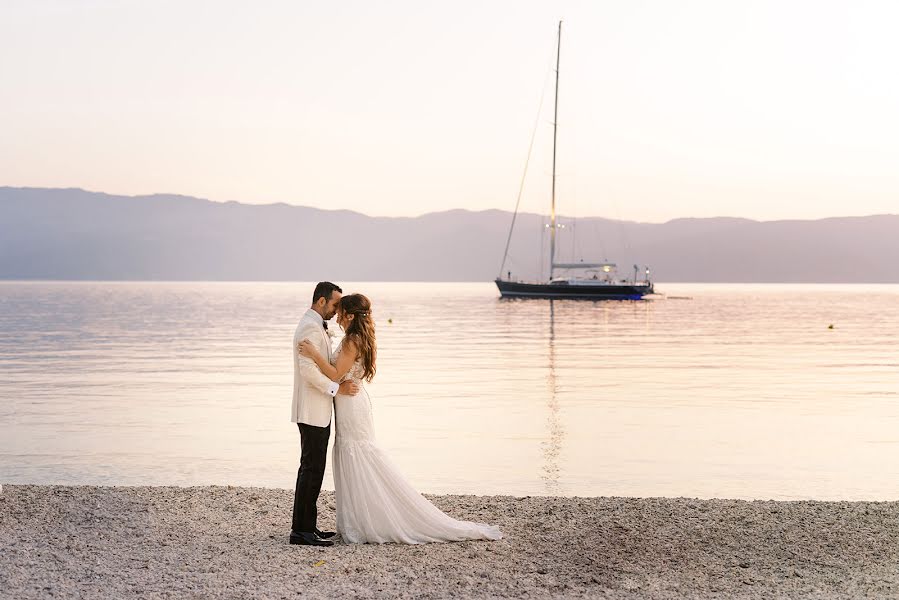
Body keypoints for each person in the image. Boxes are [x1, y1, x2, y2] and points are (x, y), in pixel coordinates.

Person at [299, 293, 502, 544]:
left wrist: (313, 353)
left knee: (357, 455)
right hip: (350, 401)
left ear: (350, 315)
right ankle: (357, 520)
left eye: (341, 311)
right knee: (352, 455)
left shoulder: (352, 341)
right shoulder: (355, 338)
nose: (337, 315)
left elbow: (335, 372)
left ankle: (369, 521)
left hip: (351, 403)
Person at [290, 282, 359, 546]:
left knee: (312, 468)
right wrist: (336, 388)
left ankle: (308, 525)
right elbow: (308, 372)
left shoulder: (315, 325)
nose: (336, 309)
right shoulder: (309, 326)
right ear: (321, 301)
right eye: (334, 304)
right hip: (312, 409)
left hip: (316, 409)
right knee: (311, 469)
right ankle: (301, 532)